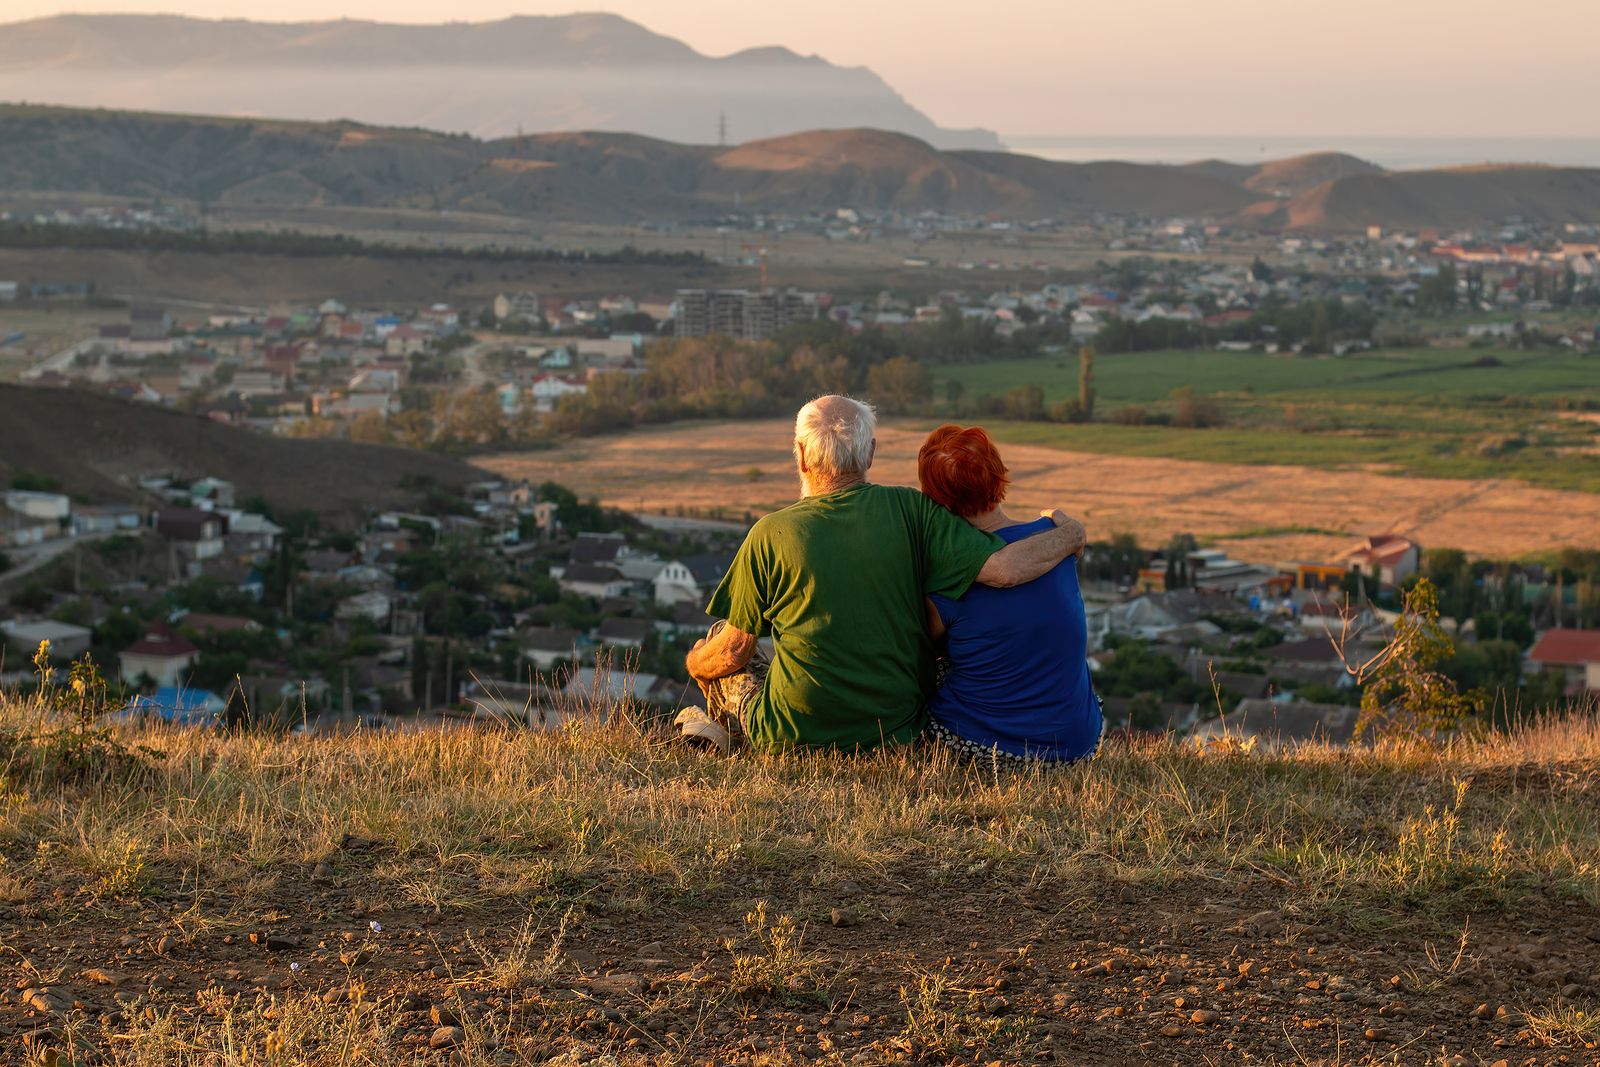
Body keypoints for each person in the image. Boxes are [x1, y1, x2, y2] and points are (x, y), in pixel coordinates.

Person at [677, 395, 1086, 752]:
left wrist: (694, 664)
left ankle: (728, 731)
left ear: (801, 455)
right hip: (894, 730)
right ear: (870, 453)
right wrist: (1070, 533)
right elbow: (1004, 568)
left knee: (718, 642)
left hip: (793, 732)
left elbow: (735, 651)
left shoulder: (768, 534)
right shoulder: (913, 510)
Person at [916, 424, 1102, 762]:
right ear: (999, 474)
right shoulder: (1053, 537)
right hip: (1078, 744)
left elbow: (916, 644)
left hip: (989, 748)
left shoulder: (948, 572)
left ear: (936, 500)